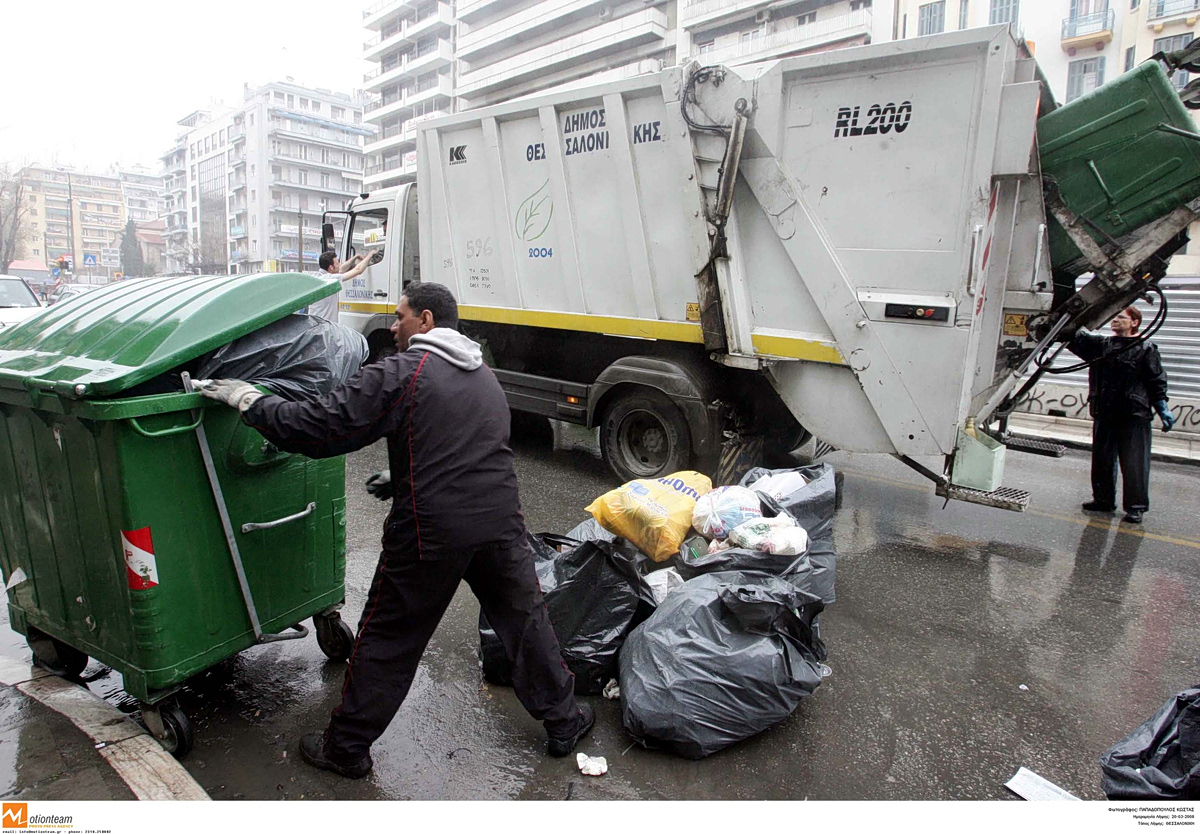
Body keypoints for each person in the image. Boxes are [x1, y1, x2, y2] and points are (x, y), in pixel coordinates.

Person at [192, 282, 593, 779]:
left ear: (425, 321)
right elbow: (465, 442)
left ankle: (345, 748)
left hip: (431, 534)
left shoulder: (406, 371)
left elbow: (321, 426)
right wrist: (403, 473)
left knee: (388, 638)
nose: (393, 326)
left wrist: (251, 402)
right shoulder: (483, 375)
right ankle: (564, 720)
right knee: (525, 624)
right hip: (499, 526)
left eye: (400, 317)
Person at [1067, 306, 1174, 524]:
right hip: (1105, 411)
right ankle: (1103, 500)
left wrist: (1162, 408)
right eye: (1114, 317)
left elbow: (1156, 380)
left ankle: (1136, 507)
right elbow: (1073, 336)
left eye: (1120, 317)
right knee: (1102, 460)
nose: (1115, 321)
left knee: (1134, 462)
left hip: (1134, 414)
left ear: (1134, 322)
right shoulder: (1102, 345)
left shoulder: (1146, 348)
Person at [305, 250, 382, 321]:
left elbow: (341, 269)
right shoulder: (329, 279)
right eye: (337, 263)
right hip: (324, 327)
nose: (339, 265)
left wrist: (355, 257)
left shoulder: (317, 276)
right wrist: (370, 255)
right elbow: (358, 270)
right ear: (331, 267)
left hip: (314, 324)